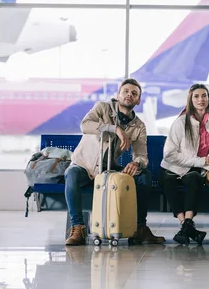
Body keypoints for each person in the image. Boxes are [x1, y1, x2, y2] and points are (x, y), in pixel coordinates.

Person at [64, 78, 165, 246]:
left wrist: (137, 163)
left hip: (109, 168)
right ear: (118, 95)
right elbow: (85, 125)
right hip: (85, 165)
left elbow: (142, 155)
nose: (129, 95)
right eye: (125, 91)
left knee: (143, 177)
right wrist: (114, 129)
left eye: (134, 93)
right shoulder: (101, 108)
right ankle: (78, 227)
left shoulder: (138, 126)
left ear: (138, 101)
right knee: (71, 174)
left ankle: (139, 228)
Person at [161, 84, 209, 245]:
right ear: (190, 99)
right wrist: (199, 161)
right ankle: (187, 226)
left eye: (204, 96)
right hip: (174, 166)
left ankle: (186, 225)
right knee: (168, 182)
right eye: (196, 96)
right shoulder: (181, 122)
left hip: (198, 169)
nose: (201, 99)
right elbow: (169, 154)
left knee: (194, 180)